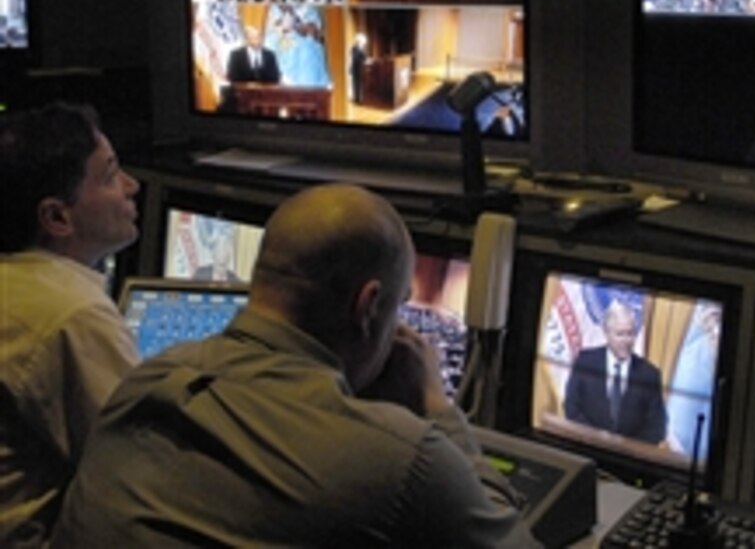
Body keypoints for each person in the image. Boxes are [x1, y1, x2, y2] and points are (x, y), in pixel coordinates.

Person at [51, 183, 538, 548]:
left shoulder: (142, 383)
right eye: (398, 308)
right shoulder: (401, 458)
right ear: (369, 306)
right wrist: (435, 408)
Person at [0, 102, 141, 547]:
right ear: (57, 217)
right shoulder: (72, 313)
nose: (132, 187)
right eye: (110, 175)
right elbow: (141, 469)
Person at [563, 301, 668, 444]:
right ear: (606, 333)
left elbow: (657, 428)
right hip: (587, 447)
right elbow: (571, 407)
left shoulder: (649, 374)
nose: (626, 340)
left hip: (628, 459)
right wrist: (596, 438)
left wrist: (625, 447)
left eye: (630, 334)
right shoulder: (585, 361)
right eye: (620, 334)